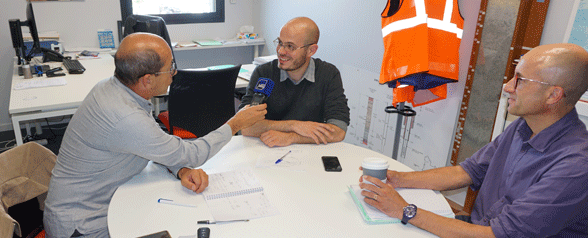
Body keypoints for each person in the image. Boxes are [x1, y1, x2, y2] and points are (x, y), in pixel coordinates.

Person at [43, 33, 267, 237]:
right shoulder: (125, 116)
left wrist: (179, 168)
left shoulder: (112, 88)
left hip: (92, 203)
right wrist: (235, 123)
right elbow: (191, 153)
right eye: (170, 67)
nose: (175, 72)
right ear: (147, 80)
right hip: (82, 226)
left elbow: (153, 141)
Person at [360, 43, 588, 237]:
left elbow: (497, 235)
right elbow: (467, 172)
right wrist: (398, 179)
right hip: (479, 227)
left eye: (520, 80)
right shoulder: (524, 126)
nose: (508, 87)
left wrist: (405, 210)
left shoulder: (576, 166)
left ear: (553, 95)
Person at [239, 17, 350, 147]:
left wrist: (292, 137)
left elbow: (338, 131)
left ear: (311, 50)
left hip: (310, 155)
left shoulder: (328, 74)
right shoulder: (264, 74)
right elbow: (244, 127)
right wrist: (294, 125)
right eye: (280, 43)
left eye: (290, 46)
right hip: (266, 150)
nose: (281, 51)